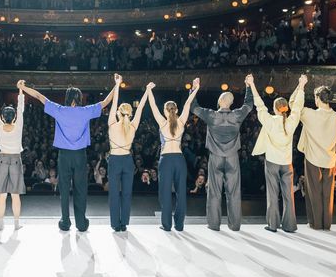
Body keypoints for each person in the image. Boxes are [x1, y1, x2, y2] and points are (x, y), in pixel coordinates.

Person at [21, 77, 117, 232]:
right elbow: (106, 101)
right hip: (80, 155)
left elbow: (39, 96)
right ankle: (81, 223)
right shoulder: (86, 111)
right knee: (80, 189)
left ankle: (65, 222)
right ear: (78, 99)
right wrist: (117, 85)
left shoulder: (60, 110)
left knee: (64, 189)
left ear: (68, 98)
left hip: (64, 156)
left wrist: (23, 87)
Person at [191, 75, 254, 231]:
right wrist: (248, 87)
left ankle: (213, 224)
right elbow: (249, 104)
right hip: (232, 157)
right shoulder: (237, 115)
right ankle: (234, 225)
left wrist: (194, 88)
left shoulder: (211, 115)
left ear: (219, 101)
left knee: (214, 192)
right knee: (234, 192)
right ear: (232, 103)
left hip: (216, 157)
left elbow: (193, 107)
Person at [249, 74, 307, 233]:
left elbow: (259, 105)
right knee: (289, 196)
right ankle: (289, 225)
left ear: (275, 108)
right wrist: (301, 85)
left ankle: (273, 224)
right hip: (287, 163)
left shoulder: (270, 121)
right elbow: (298, 107)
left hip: (272, 163)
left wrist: (252, 84)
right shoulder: (292, 120)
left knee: (272, 195)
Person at [291, 84, 336, 231]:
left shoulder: (310, 114)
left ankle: (315, 224)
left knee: (313, 191)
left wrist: (300, 86)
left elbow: (292, 105)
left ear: (317, 98)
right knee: (328, 194)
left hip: (313, 158)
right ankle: (326, 224)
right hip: (330, 160)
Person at [146, 78, 200, 231]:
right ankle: (180, 225)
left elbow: (152, 105)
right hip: (179, 160)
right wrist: (195, 88)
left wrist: (149, 89)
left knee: (165, 193)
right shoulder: (182, 121)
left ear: (166, 110)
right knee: (181, 193)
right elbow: (188, 103)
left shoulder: (162, 123)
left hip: (166, 160)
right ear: (176, 110)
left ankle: (167, 225)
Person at [106, 74, 149, 232]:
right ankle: (123, 223)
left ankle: (115, 224)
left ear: (118, 113)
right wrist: (148, 91)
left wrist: (117, 84)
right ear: (130, 113)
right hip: (128, 161)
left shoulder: (112, 124)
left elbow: (113, 102)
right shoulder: (133, 125)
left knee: (114, 195)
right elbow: (142, 107)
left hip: (115, 161)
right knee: (126, 194)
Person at [0, 80, 27, 231]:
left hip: (3, 159)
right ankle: (16, 224)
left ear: (3, 117)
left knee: (2, 195)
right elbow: (21, 108)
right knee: (15, 195)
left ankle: (0, 224)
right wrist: (20, 90)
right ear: (14, 117)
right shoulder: (18, 125)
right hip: (16, 160)